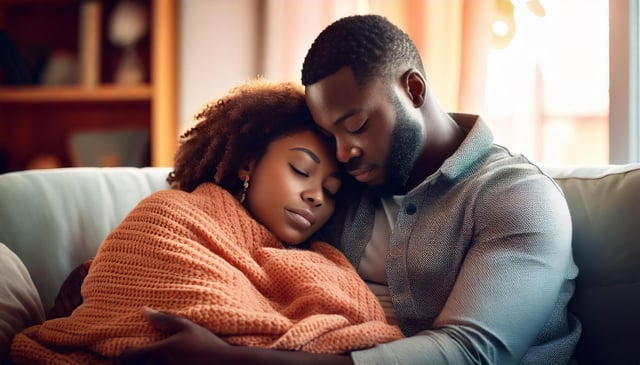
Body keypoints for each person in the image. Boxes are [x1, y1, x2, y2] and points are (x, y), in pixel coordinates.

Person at [118, 15, 581, 365]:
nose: (344, 152)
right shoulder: (347, 188)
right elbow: (241, 245)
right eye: (330, 135)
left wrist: (231, 358)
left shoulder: (518, 198)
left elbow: (471, 353)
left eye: (356, 125)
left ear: (413, 90)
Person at [9, 79, 402, 364]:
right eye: (301, 169)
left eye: (331, 190)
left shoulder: (325, 263)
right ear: (248, 163)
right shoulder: (169, 214)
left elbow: (373, 342)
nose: (317, 195)